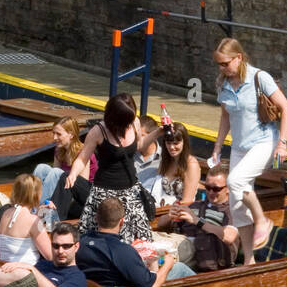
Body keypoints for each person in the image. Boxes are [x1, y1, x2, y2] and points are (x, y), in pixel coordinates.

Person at [211, 37, 287, 263]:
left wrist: (282, 143)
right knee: (236, 206)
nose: (222, 68)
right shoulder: (223, 84)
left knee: (235, 181)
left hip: (264, 142)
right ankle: (249, 261)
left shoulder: (259, 77)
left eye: (225, 63)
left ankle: (262, 221)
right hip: (239, 147)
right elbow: (226, 116)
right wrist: (218, 146)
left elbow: (286, 109)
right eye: (219, 64)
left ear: (239, 58)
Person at [67, 94, 154, 241]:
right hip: (105, 192)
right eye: (125, 121)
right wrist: (73, 174)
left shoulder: (134, 122)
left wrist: (159, 132)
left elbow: (139, 145)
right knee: (102, 238)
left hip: (131, 191)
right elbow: (83, 157)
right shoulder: (98, 131)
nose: (128, 124)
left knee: (140, 238)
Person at [77, 197, 192, 287]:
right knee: (179, 268)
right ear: (122, 222)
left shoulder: (80, 243)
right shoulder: (122, 250)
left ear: (96, 218)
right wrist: (168, 264)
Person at [166, 165, 240, 270]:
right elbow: (161, 224)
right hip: (175, 246)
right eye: (207, 187)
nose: (210, 192)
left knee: (168, 266)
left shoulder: (233, 211)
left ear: (228, 188)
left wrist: (197, 221)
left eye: (215, 189)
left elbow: (229, 236)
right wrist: (170, 216)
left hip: (198, 260)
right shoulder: (195, 205)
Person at [33, 116, 91, 218]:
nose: (54, 138)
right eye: (53, 133)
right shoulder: (59, 150)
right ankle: (34, 207)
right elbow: (53, 180)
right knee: (41, 168)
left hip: (82, 194)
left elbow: (80, 185)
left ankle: (39, 214)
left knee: (56, 172)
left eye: (58, 134)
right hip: (63, 190)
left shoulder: (83, 152)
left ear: (71, 134)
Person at [0, 174, 54, 265]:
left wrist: (39, 215)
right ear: (36, 195)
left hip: (4, 268)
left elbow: (22, 227)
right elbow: (50, 256)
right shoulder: (33, 221)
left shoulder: (6, 214)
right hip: (26, 273)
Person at [149, 120, 201, 208]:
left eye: (176, 143)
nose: (171, 147)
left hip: (177, 212)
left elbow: (187, 201)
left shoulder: (191, 164)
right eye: (168, 143)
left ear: (184, 143)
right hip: (158, 208)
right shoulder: (166, 161)